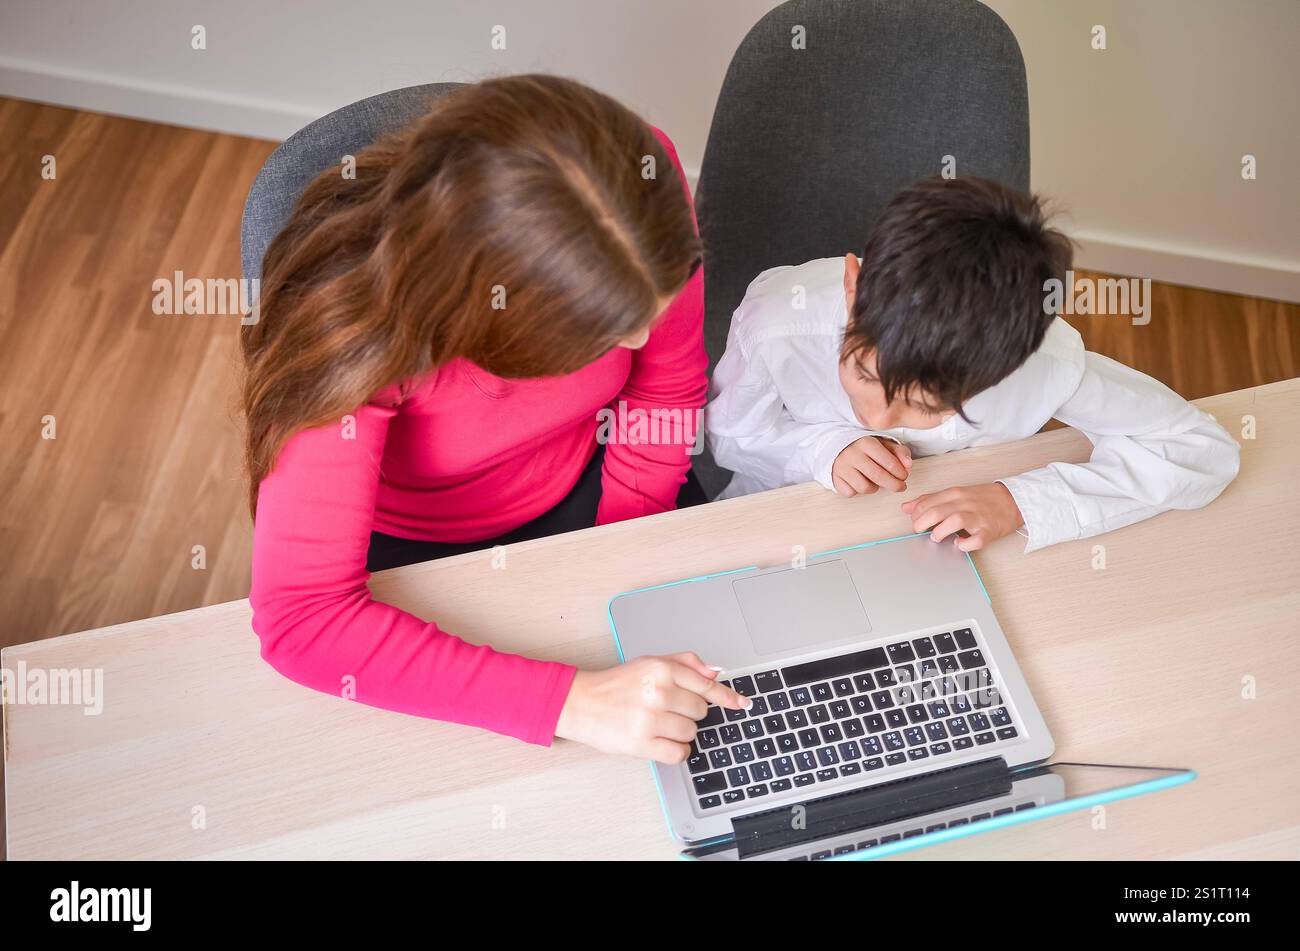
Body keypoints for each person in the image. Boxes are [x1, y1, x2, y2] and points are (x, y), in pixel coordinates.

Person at [243, 75, 748, 766]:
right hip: (419, 556)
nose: (636, 342)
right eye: (600, 333)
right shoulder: (348, 330)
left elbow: (666, 388)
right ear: (487, 313)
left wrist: (613, 558)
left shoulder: (638, 197)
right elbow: (303, 616)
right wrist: (573, 700)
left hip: (605, 485)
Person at [706, 176, 1240, 553]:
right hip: (780, 524)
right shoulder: (777, 324)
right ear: (853, 288)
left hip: (944, 546)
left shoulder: (1039, 363)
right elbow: (729, 437)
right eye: (865, 373)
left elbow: (1199, 450)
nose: (876, 417)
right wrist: (821, 449)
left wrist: (1020, 502)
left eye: (923, 407)